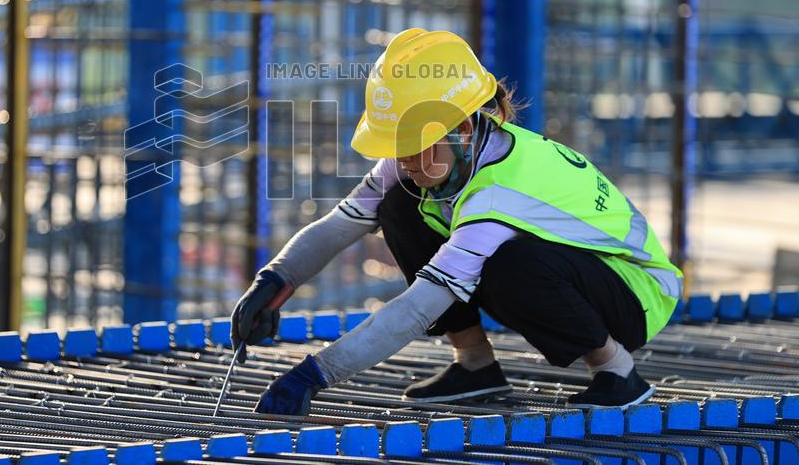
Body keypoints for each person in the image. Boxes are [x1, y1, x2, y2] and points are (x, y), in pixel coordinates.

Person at [230, 28, 682, 416]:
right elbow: (336, 226)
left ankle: (616, 370)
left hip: (636, 294)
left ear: (461, 130)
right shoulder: (426, 156)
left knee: (511, 263)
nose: (402, 157)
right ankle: (475, 366)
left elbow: (419, 306)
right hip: (579, 277)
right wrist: (272, 284)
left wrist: (314, 375)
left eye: (412, 143)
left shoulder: (500, 192)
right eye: (396, 142)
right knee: (398, 205)